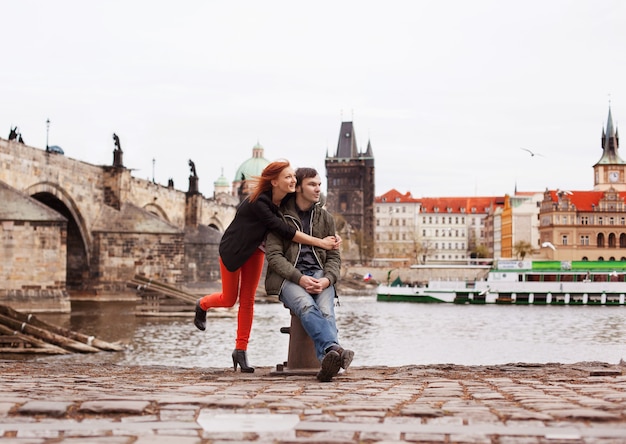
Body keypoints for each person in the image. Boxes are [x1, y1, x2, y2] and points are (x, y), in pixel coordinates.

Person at [194, 160, 339, 373]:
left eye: (294, 178)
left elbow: (316, 198)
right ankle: (202, 304)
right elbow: (286, 231)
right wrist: (321, 242)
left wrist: (333, 232)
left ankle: (240, 350)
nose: (293, 180)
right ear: (274, 181)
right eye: (288, 177)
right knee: (229, 298)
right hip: (234, 251)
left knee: (248, 300)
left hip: (256, 251)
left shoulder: (287, 196)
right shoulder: (259, 202)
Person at [265, 167, 354, 382]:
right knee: (305, 305)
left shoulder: (325, 218)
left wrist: (327, 280)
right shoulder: (279, 217)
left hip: (320, 274)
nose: (318, 189)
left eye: (319, 185)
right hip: (289, 278)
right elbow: (274, 256)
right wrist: (300, 278)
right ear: (298, 188)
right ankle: (334, 350)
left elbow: (334, 257)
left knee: (325, 310)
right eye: (312, 184)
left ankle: (328, 361)